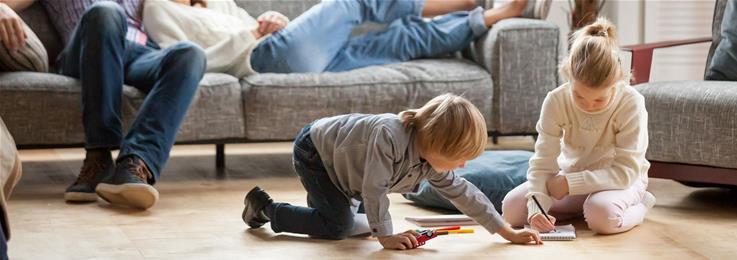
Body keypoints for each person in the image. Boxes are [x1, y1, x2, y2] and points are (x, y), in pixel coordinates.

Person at [241, 94, 542, 250]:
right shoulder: (390, 135)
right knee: (338, 228)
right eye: (458, 158)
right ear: (437, 144)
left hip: (347, 170)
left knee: (352, 224)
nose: (462, 166)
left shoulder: (431, 161)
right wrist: (386, 237)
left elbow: (465, 194)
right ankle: (265, 208)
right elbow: (374, 189)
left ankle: (324, 209)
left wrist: (506, 231)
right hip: (317, 153)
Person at [36, 0, 206, 210]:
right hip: (86, 51)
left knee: (191, 54)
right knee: (105, 11)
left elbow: (182, 6)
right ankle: (98, 157)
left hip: (138, 53)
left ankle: (135, 162)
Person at [501, 18, 657, 235]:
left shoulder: (631, 102)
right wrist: (537, 209)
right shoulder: (556, 100)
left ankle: (639, 206)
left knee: (602, 217)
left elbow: (625, 172)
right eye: (579, 96)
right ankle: (581, 209)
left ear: (618, 81)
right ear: (568, 76)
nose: (588, 106)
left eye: (599, 100)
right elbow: (543, 163)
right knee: (512, 210)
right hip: (570, 178)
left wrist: (569, 183)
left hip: (620, 182)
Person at [141, 0, 544, 77]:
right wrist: (253, 33)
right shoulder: (157, 8)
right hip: (265, 58)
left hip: (288, 50)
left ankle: (488, 15)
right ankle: (454, 2)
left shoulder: (215, 1)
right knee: (354, 2)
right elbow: (187, 59)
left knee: (400, 41)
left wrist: (271, 18)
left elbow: (251, 21)